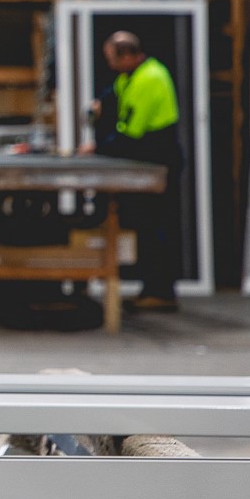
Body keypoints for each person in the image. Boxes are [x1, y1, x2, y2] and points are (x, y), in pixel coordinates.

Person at [85, 30, 183, 312]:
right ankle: (150, 289)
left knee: (157, 229)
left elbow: (131, 134)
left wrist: (98, 148)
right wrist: (99, 106)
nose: (111, 66)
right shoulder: (132, 76)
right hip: (146, 163)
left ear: (128, 56)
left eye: (113, 60)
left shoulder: (149, 79)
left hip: (158, 161)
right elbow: (113, 94)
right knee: (146, 228)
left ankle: (161, 292)